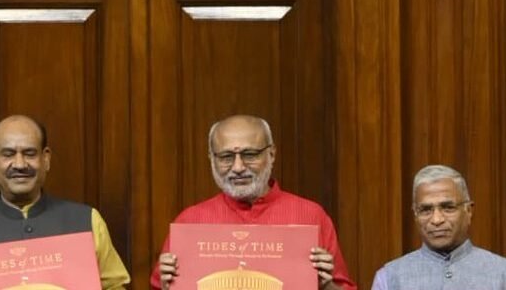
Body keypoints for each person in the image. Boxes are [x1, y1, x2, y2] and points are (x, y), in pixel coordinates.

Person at [152, 114, 357, 290]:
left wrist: (326, 285)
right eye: (226, 156)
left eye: (250, 155)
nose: (238, 166)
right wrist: (167, 285)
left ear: (272, 154)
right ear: (211, 159)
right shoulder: (189, 222)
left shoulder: (311, 216)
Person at [0, 115, 130, 290]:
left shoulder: (87, 222)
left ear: (46, 159)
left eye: (29, 153)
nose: (19, 164)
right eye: (8, 154)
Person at [374, 165, 506, 289]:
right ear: (415, 215)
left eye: (448, 207)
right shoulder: (389, 278)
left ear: (469, 211)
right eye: (426, 210)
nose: (437, 219)